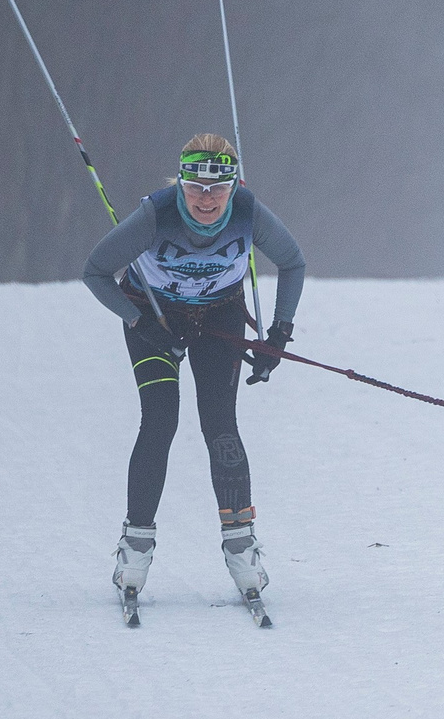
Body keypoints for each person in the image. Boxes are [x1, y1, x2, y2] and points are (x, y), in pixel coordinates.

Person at [82, 133, 303, 604]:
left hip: (218, 318)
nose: (206, 199)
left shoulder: (248, 212)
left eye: (217, 188)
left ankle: (242, 551)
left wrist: (278, 335)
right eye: (196, 188)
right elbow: (95, 272)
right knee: (161, 418)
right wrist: (139, 321)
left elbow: (292, 262)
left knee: (220, 422)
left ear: (233, 187)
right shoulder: (155, 216)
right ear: (181, 183)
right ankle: (134, 551)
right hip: (153, 318)